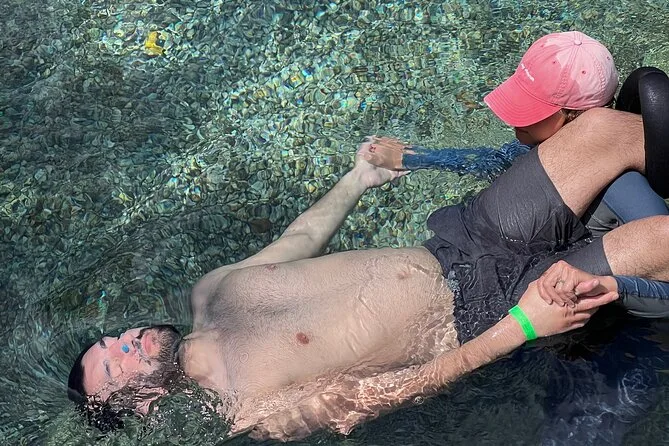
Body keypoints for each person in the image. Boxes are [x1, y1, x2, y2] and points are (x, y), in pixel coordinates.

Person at [65, 103, 669, 440]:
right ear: (142, 406)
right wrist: (524, 325)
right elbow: (401, 388)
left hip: (462, 241)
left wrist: (358, 180)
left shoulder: (212, 291)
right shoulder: (253, 413)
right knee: (655, 242)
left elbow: (297, 241)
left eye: (110, 340)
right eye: (115, 365)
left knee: (601, 130)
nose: (124, 341)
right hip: (492, 311)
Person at [360, 31, 669, 239]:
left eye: (531, 109)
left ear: (572, 116)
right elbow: (497, 161)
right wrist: (420, 158)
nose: (512, 120)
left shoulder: (617, 186)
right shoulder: (550, 139)